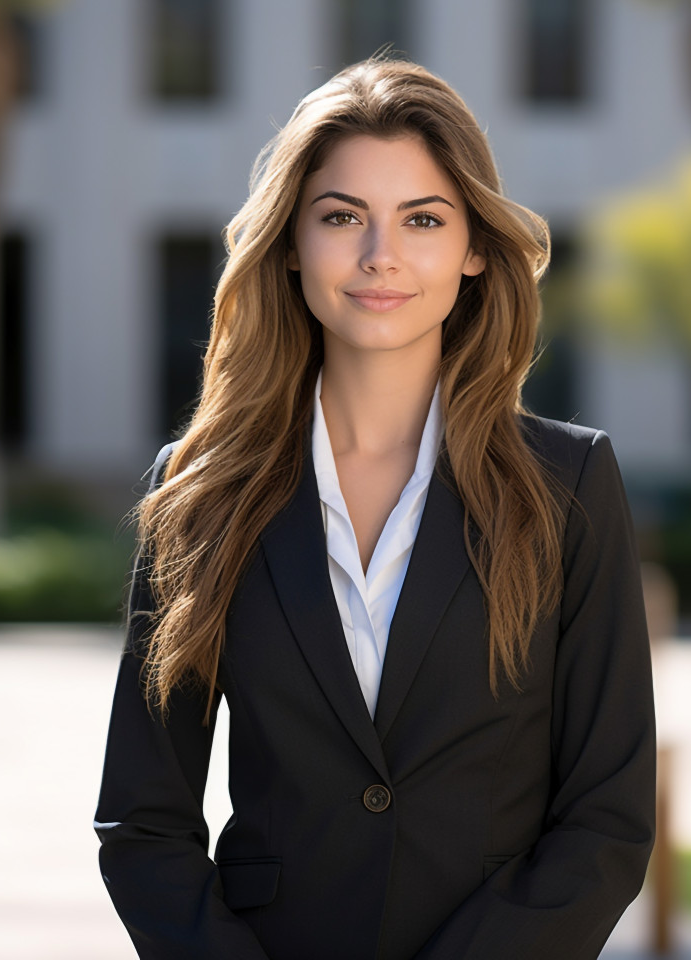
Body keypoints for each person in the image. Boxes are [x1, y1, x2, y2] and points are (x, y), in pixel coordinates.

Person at [95, 56, 655, 960]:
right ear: (289, 241)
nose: (378, 255)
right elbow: (142, 824)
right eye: (341, 217)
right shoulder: (197, 489)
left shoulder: (571, 484)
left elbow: (607, 821)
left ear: (475, 248)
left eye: (422, 219)